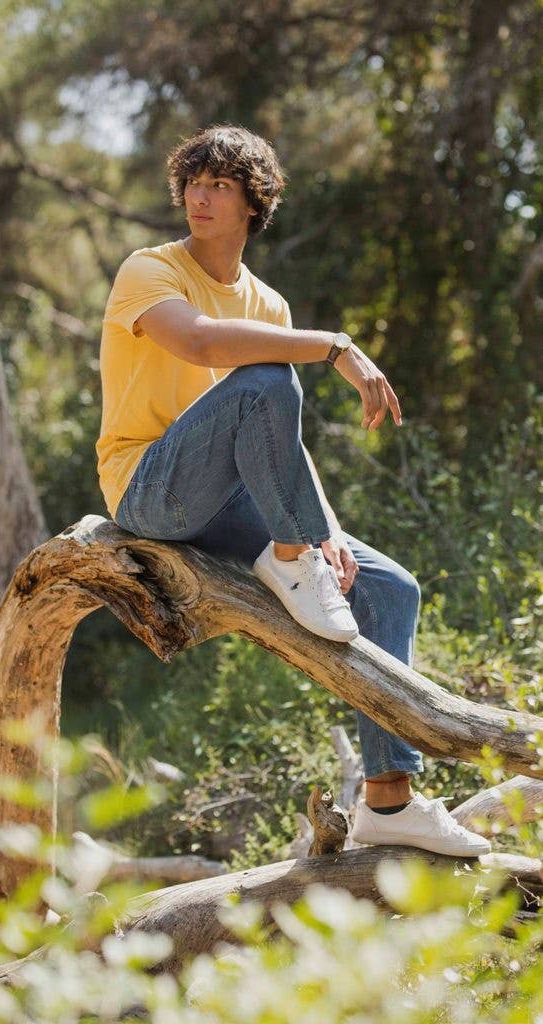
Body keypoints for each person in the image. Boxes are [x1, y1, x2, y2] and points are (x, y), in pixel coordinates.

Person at [96, 124, 490, 857]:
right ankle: (288, 558)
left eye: (219, 185)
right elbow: (202, 343)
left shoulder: (266, 304)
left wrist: (326, 531)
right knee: (266, 379)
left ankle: (388, 801)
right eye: (193, 183)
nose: (199, 198)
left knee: (389, 588)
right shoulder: (148, 269)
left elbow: (280, 443)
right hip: (149, 491)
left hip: (232, 503)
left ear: (253, 202)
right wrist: (336, 345)